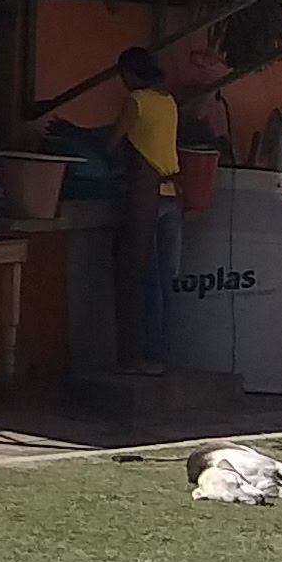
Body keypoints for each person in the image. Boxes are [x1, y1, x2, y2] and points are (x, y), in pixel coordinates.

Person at [106, 47, 182, 375]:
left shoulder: (137, 101)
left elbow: (110, 142)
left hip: (147, 195)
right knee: (164, 281)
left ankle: (146, 357)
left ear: (132, 74)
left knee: (144, 278)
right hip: (172, 194)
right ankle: (163, 353)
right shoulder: (168, 101)